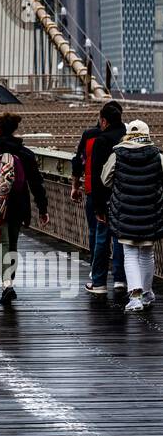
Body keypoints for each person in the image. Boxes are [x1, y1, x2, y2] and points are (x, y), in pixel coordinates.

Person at [0, 113, 50, 306]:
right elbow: (36, 183)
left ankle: (7, 284)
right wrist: (42, 208)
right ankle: (9, 281)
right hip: (18, 203)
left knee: (1, 242)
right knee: (12, 243)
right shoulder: (25, 153)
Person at [101, 120, 163, 313]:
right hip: (150, 212)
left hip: (125, 212)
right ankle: (146, 292)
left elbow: (105, 180)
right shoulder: (157, 155)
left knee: (130, 253)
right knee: (147, 252)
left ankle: (135, 297)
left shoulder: (117, 154)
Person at [69, 101, 127, 295]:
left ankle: (97, 277)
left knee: (97, 234)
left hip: (96, 192)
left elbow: (80, 163)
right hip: (123, 195)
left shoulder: (92, 137)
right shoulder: (127, 136)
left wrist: (75, 185)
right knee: (120, 236)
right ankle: (120, 278)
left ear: (103, 119)